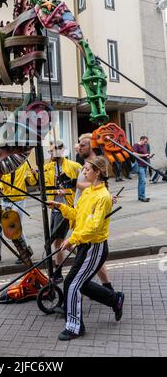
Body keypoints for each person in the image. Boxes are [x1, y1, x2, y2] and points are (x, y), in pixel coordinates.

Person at [48, 156, 125, 341]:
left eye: (87, 169)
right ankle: (115, 299)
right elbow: (77, 214)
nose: (84, 172)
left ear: (97, 172)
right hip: (85, 246)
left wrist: (72, 240)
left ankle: (74, 327)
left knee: (72, 284)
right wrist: (60, 206)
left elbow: (93, 227)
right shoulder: (89, 191)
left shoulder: (103, 196)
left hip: (94, 247)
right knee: (78, 283)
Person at [75, 133, 115, 291]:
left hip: (90, 220)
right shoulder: (84, 164)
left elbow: (100, 187)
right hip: (81, 214)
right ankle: (106, 288)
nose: (79, 147)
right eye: (79, 144)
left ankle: (107, 293)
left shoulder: (95, 164)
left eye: (83, 145)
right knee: (91, 259)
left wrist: (74, 183)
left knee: (89, 259)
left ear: (91, 145)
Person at [0, 162, 36, 266]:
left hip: (18, 200)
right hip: (5, 200)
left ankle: (26, 251)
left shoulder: (23, 164)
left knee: (15, 227)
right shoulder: (3, 164)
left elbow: (32, 182)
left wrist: (34, 174)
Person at [43, 140, 82, 284]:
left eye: (52, 151)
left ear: (61, 150)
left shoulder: (74, 166)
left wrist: (65, 190)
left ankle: (58, 273)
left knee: (58, 241)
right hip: (55, 208)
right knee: (59, 242)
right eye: (50, 151)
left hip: (67, 208)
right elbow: (37, 182)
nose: (50, 154)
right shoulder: (47, 167)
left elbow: (83, 185)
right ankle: (83, 256)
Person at [132, 136, 151, 202]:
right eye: (145, 141)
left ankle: (140, 196)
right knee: (143, 181)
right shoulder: (136, 145)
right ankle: (142, 197)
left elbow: (145, 154)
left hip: (145, 165)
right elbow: (134, 153)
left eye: (146, 142)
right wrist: (144, 155)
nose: (145, 143)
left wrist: (148, 156)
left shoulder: (144, 146)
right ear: (141, 140)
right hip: (139, 165)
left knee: (141, 181)